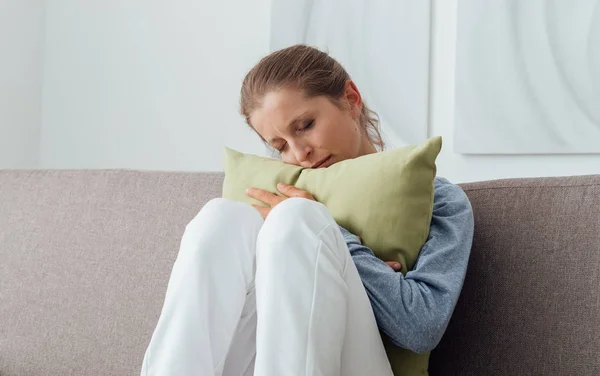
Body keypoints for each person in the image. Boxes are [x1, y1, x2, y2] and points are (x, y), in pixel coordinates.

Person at [140, 44, 474, 376]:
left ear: (351, 99)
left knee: (296, 218)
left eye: (305, 125)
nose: (300, 154)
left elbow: (421, 327)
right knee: (221, 217)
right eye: (281, 146)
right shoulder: (275, 201)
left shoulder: (441, 198)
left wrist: (339, 245)